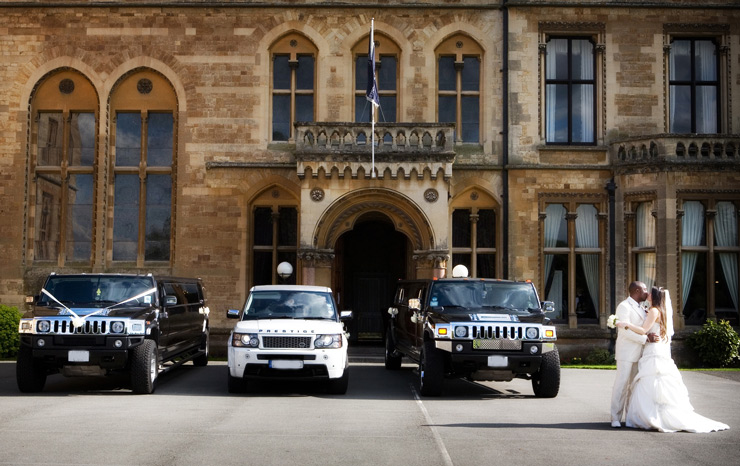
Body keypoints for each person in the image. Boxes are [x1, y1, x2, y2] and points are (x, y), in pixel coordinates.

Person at [617, 286, 729, 433]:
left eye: (650, 293)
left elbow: (643, 330)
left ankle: (652, 415)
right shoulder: (658, 310)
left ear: (655, 297)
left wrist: (626, 324)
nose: (647, 294)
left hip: (653, 350)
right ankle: (658, 414)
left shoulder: (653, 310)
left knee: (652, 381)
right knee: (658, 381)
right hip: (657, 349)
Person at [610, 281, 656, 428]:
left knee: (634, 386)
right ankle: (615, 418)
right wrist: (645, 338)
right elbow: (625, 330)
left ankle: (630, 417)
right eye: (644, 289)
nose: (647, 292)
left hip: (641, 354)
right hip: (626, 352)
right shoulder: (624, 306)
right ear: (636, 290)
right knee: (622, 385)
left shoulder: (643, 307)